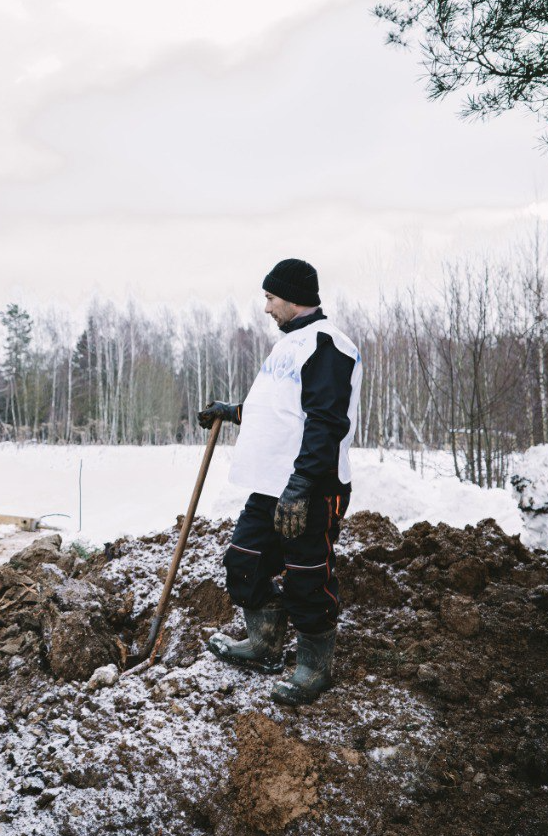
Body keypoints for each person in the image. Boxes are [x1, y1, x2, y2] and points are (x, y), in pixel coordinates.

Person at [197, 258, 362, 706]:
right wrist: (230, 411)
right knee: (243, 561)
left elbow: (326, 423)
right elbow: (280, 411)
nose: (266, 307)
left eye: (271, 298)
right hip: (270, 485)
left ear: (292, 297)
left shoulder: (329, 346)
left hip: (311, 487)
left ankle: (314, 668)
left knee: (307, 577)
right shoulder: (290, 344)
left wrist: (301, 484)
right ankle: (266, 644)